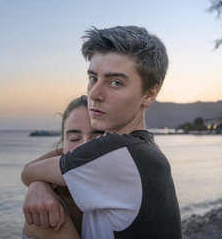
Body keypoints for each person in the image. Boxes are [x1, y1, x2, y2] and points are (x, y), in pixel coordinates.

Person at [22, 26, 182, 238]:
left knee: (42, 224)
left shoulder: (119, 153)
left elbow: (27, 172)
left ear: (149, 93)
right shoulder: (143, 149)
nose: (94, 94)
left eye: (115, 82)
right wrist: (41, 184)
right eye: (93, 78)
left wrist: (38, 183)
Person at [22, 95, 104, 239]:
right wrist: (38, 183)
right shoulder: (45, 208)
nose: (83, 147)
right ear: (63, 145)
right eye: (74, 139)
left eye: (97, 138)